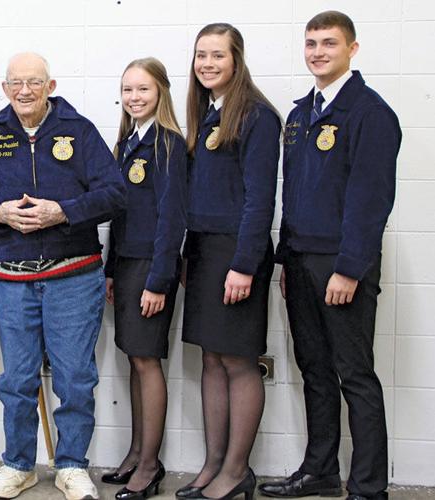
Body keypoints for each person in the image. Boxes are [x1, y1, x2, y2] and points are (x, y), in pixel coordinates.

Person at [0, 52, 126, 500]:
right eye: (16, 82)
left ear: (50, 86)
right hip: (12, 279)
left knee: (74, 377)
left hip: (74, 277)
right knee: (17, 379)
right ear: (4, 87)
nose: (24, 91)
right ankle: (18, 465)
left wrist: (63, 213)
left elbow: (114, 193)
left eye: (34, 82)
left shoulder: (81, 131)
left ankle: (71, 465)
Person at [259, 11, 400, 500]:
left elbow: (371, 201)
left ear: (352, 49)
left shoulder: (369, 113)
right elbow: (294, 193)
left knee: (354, 375)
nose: (318, 52)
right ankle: (320, 471)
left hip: (342, 267)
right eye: (311, 43)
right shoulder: (301, 115)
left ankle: (367, 487)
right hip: (300, 263)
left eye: (329, 43)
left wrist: (348, 268)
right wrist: (285, 259)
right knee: (314, 370)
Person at [177, 23, 281, 500]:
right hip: (203, 250)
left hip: (237, 253)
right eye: (201, 55)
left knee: (238, 363)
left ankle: (237, 471)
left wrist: (244, 264)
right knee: (211, 360)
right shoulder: (208, 113)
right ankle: (212, 465)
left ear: (236, 60)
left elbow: (260, 200)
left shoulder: (258, 116)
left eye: (218, 55)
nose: (208, 64)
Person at [101, 57, 187, 500]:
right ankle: (136, 451)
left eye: (144, 90)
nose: (135, 98)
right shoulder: (125, 145)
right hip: (128, 266)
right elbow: (119, 217)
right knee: (134, 359)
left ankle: (151, 466)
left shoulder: (168, 145)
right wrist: (113, 270)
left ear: (161, 93)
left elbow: (172, 221)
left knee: (147, 360)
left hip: (153, 268)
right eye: (128, 90)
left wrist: (159, 280)